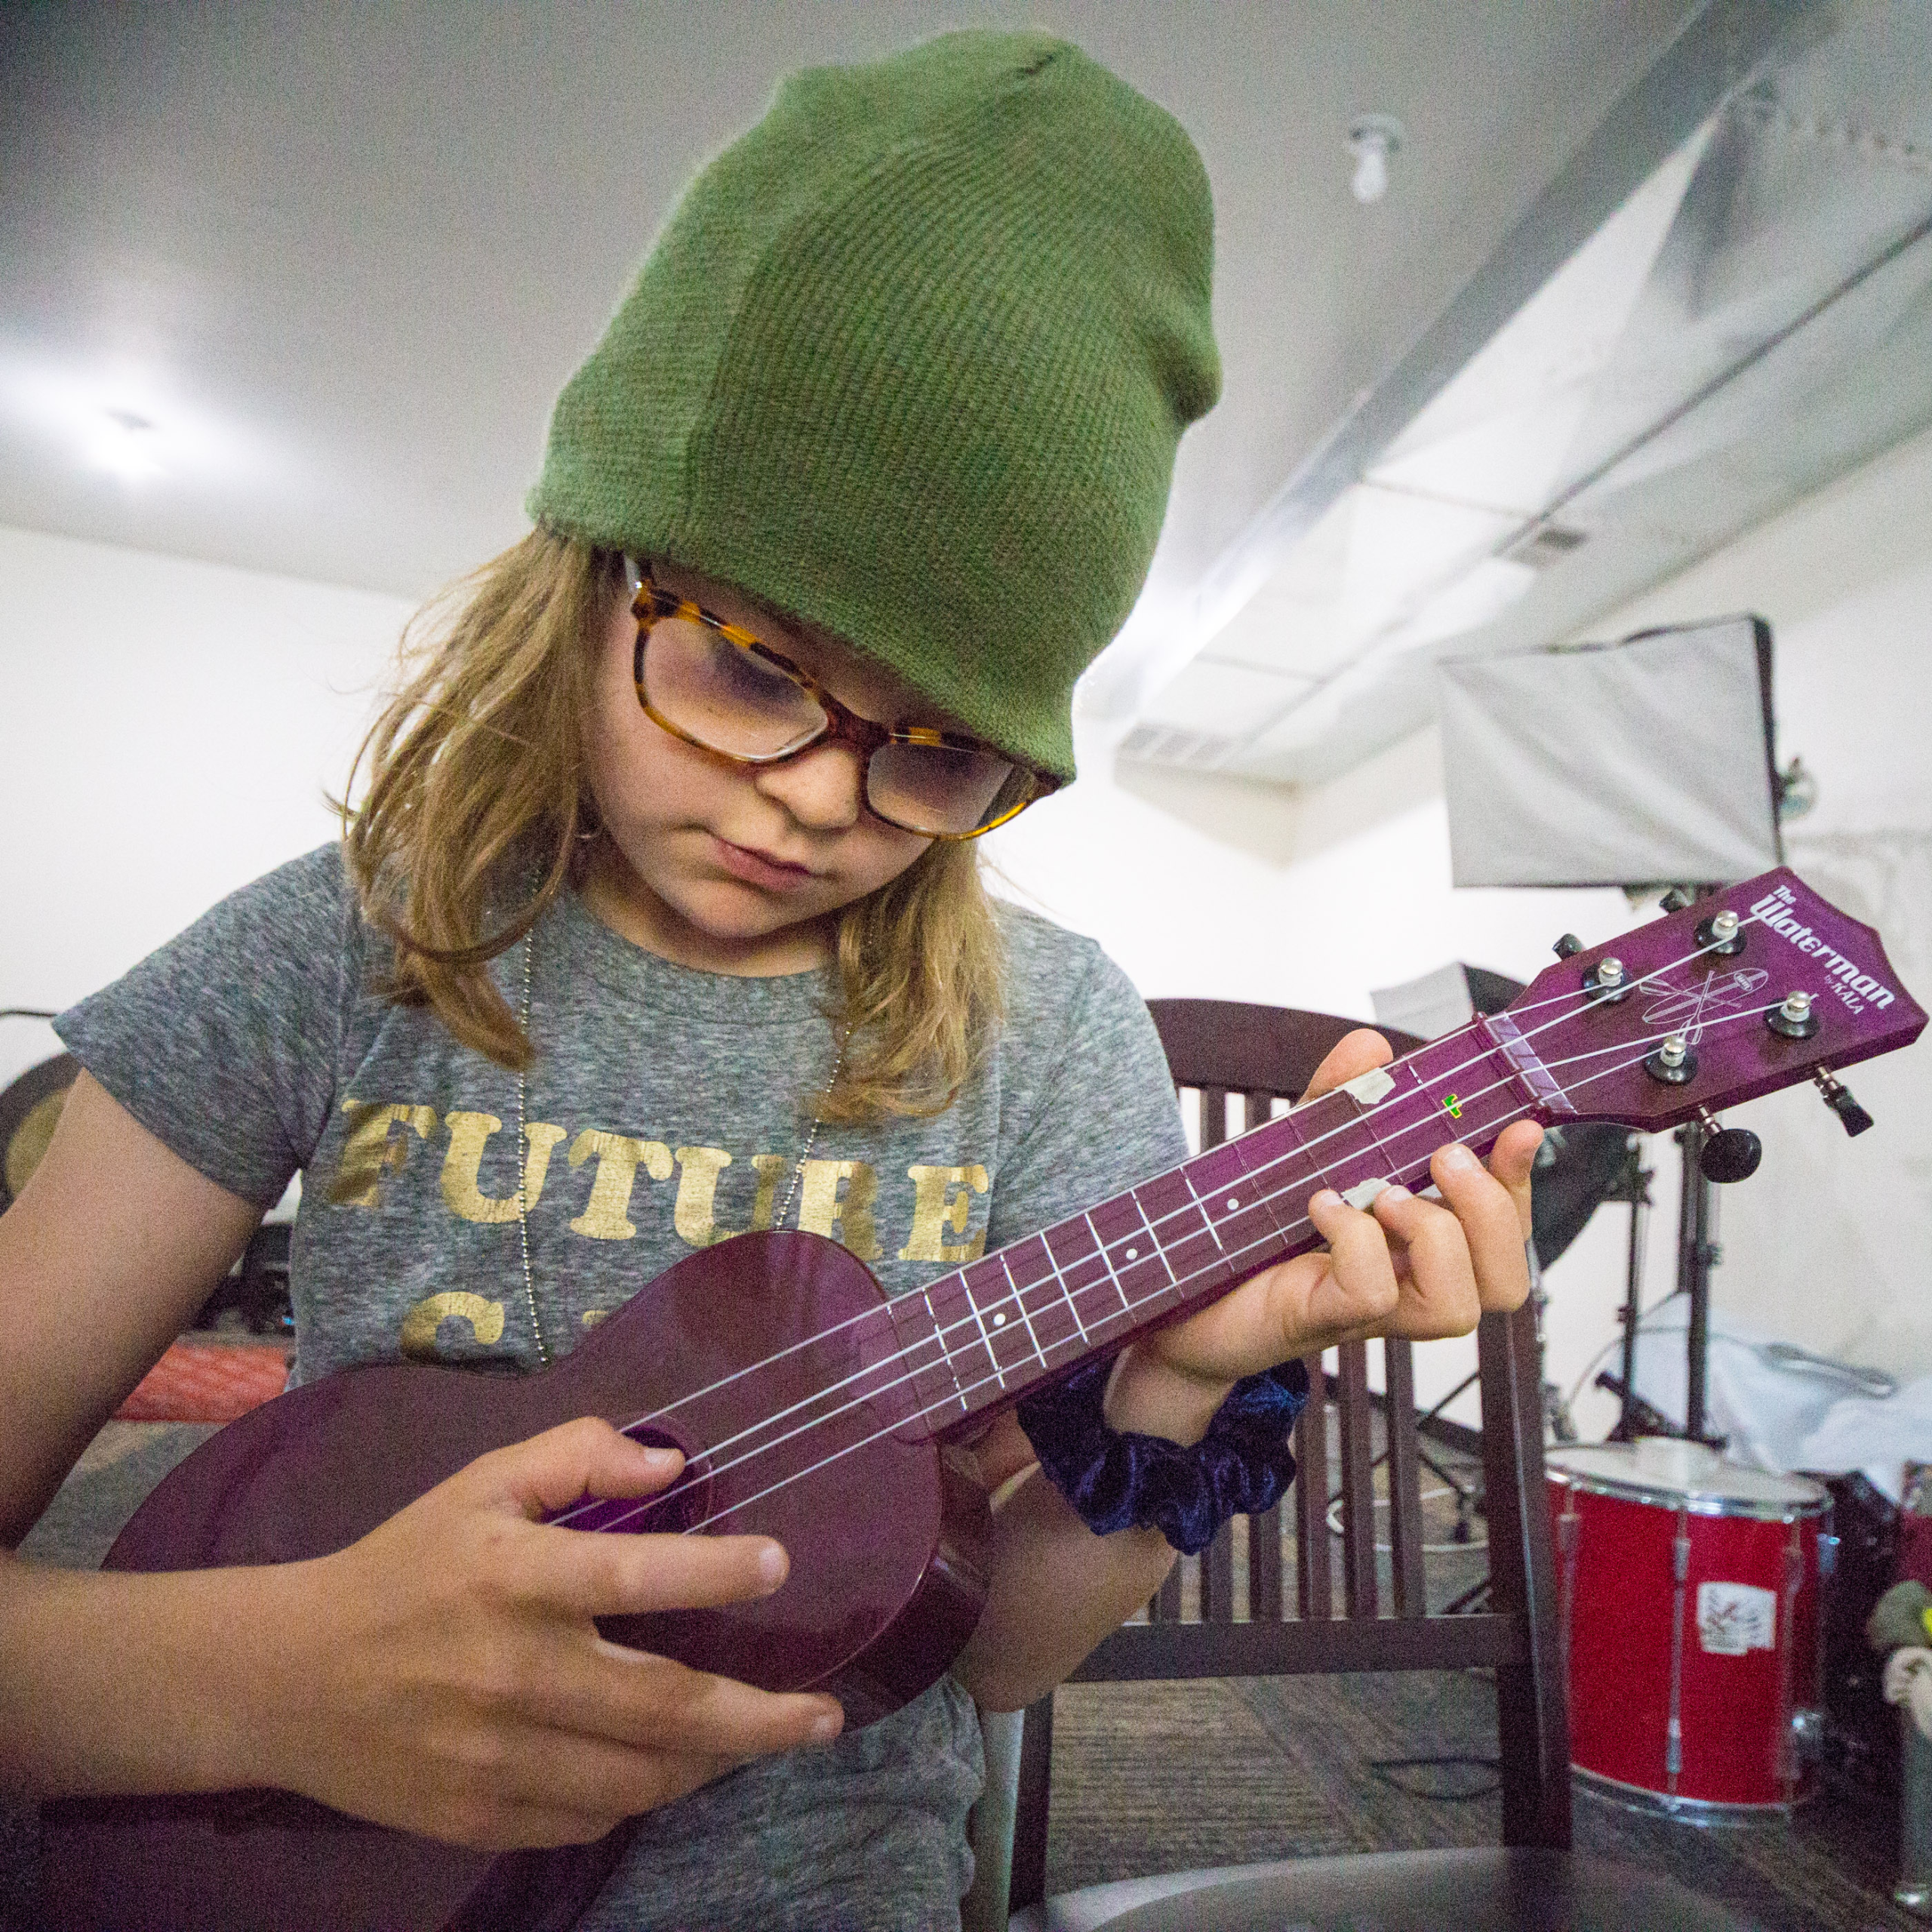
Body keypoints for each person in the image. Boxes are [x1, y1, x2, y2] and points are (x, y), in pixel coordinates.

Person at [0, 30, 1540, 1931]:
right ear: (589, 572)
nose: (820, 795)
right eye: (744, 663)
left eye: (940, 747)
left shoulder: (1046, 1036)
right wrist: (281, 1674)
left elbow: (989, 1662)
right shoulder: (339, 945)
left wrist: (1170, 1383)